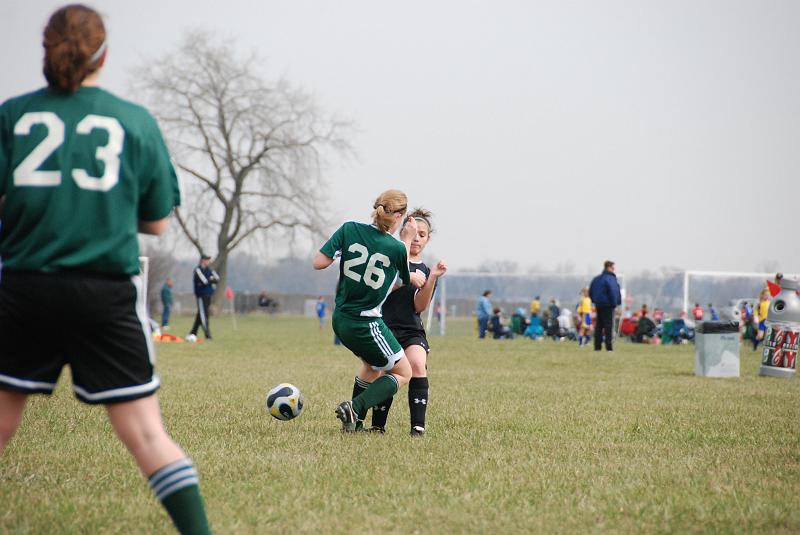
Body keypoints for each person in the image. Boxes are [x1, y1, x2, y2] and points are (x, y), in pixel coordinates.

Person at [0, 6, 211, 534]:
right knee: (146, 435)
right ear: (104, 54)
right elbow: (158, 223)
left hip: (23, 288)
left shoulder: (12, 116)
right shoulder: (133, 120)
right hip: (104, 292)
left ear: (45, 50)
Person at [313, 189, 419, 432]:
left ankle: (354, 424)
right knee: (404, 372)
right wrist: (407, 238)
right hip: (366, 323)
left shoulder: (349, 228)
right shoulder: (397, 248)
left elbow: (318, 262)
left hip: (340, 319)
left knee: (371, 367)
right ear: (399, 216)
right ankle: (356, 408)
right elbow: (402, 280)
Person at [369, 208, 447, 436]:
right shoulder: (388, 260)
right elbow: (377, 291)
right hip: (383, 327)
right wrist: (403, 279)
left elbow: (419, 307)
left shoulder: (426, 271)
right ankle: (377, 426)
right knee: (387, 371)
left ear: (428, 239)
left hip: (412, 330)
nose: (417, 239)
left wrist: (431, 278)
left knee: (416, 365)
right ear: (404, 233)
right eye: (414, 233)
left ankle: (417, 428)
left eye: (422, 235)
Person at [589, 260, 622, 351]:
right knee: (608, 326)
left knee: (599, 326)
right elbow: (613, 292)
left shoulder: (597, 279)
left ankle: (597, 346)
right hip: (608, 305)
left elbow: (591, 291)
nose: (614, 270)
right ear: (609, 267)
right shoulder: (610, 279)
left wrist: (594, 300)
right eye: (613, 268)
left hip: (599, 305)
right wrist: (615, 303)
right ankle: (609, 347)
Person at [188, 255, 219, 342]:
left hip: (209, 295)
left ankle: (192, 333)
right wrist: (210, 280)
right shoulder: (198, 270)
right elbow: (204, 281)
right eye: (207, 260)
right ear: (202, 260)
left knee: (201, 314)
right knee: (203, 315)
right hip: (201, 295)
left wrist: (210, 279)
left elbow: (217, 278)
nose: (208, 262)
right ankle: (208, 335)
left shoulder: (210, 270)